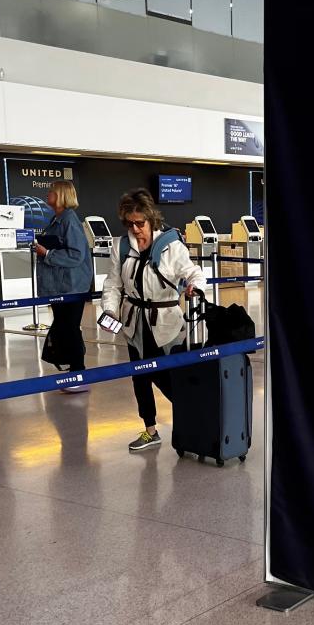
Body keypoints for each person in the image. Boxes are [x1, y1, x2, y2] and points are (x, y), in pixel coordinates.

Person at [101, 188, 206, 451]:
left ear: (151, 219)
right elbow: (113, 284)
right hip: (134, 322)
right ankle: (150, 429)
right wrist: (110, 310)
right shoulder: (121, 246)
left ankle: (196, 420)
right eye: (130, 223)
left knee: (170, 377)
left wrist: (195, 287)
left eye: (140, 223)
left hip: (166, 323)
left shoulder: (171, 246)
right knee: (140, 377)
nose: (135, 229)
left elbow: (193, 272)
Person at [33, 181, 94, 387]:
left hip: (71, 286)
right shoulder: (57, 220)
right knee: (65, 327)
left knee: (70, 328)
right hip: (60, 286)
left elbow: (76, 255)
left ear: (61, 195)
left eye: (51, 191)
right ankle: (73, 368)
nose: (48, 194)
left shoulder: (69, 221)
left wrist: (47, 253)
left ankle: (78, 372)